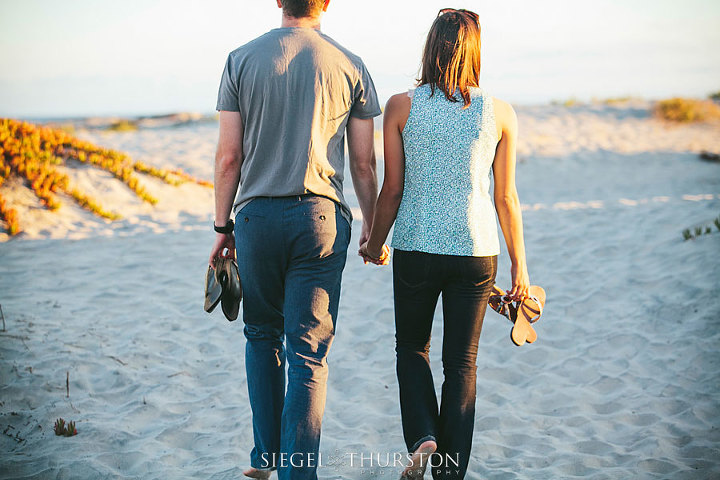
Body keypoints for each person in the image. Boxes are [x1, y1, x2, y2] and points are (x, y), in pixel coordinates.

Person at [208, 1, 381, 478]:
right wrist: (371, 225)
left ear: (279, 1)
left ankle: (265, 457)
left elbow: (228, 158)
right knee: (308, 352)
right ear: (325, 3)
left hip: (256, 218)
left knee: (262, 336)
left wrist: (223, 228)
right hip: (321, 221)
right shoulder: (351, 65)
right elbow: (364, 164)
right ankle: (298, 474)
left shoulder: (239, 60)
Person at [359, 8, 531, 479]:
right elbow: (506, 197)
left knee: (412, 349)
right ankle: (450, 471)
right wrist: (521, 269)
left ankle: (423, 437)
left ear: (430, 48)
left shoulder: (401, 106)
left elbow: (391, 188)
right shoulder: (500, 113)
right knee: (462, 364)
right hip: (477, 252)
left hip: (416, 245)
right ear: (475, 52)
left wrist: (374, 243)